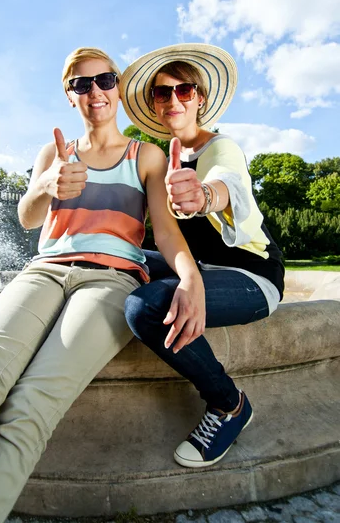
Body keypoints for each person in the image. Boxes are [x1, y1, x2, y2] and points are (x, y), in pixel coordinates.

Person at [0, 47, 205, 523]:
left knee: (31, 405)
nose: (95, 92)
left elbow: (166, 232)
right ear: (70, 96)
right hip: (45, 270)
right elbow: (27, 219)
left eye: (104, 80)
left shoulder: (144, 156)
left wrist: (191, 278)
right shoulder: (53, 152)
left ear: (119, 87)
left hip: (109, 280)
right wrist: (47, 185)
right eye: (81, 85)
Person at [121, 43, 285, 469]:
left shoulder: (219, 148)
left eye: (185, 89)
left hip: (250, 278)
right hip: (199, 269)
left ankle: (229, 404)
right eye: (162, 93)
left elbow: (227, 180)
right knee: (122, 254)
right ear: (154, 106)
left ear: (200, 99)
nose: (174, 99)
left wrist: (205, 195)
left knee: (146, 308)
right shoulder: (159, 162)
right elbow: (162, 239)